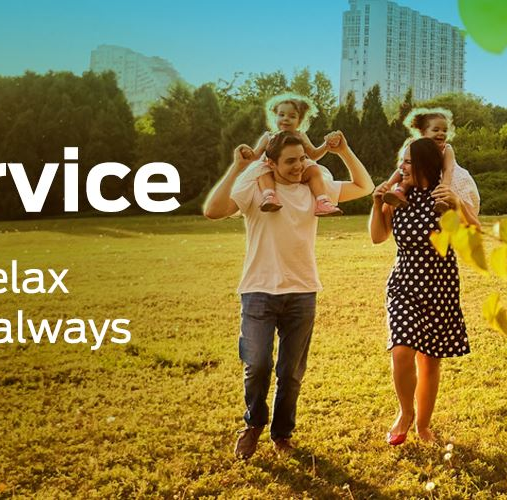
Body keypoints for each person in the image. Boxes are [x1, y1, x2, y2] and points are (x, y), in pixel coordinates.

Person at [201, 130, 374, 460]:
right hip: (258, 291)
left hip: (302, 292)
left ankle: (282, 435)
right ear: (271, 162)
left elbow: (363, 186)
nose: (298, 166)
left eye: (302, 159)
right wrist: (237, 168)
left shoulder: (314, 189)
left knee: (291, 373)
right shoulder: (256, 190)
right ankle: (253, 425)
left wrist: (345, 151)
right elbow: (213, 210)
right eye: (290, 161)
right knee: (257, 364)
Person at [369, 138, 481, 446]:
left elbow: (475, 232)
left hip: (440, 285)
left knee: (430, 360)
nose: (401, 167)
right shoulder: (398, 197)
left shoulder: (444, 197)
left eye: (406, 162)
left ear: (423, 165)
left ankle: (423, 425)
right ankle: (405, 413)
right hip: (404, 282)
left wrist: (459, 206)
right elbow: (378, 237)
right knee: (402, 350)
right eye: (401, 161)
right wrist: (377, 204)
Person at [249, 94, 343, 216]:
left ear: (299, 121)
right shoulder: (269, 137)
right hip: (272, 171)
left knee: (314, 169)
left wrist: (326, 145)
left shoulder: (300, 136)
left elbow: (313, 155)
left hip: (295, 172)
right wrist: (247, 153)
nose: (286, 119)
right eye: (281, 115)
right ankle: (269, 197)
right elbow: (255, 155)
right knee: (262, 170)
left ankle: (322, 201)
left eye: (292, 116)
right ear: (275, 117)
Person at [381, 108, 477, 213]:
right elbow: (402, 167)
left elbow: (447, 169)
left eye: (444, 130)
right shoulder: (414, 146)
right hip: (416, 177)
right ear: (423, 132)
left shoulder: (446, 148)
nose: (441, 133)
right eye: (436, 130)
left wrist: (444, 186)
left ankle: (442, 201)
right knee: (407, 170)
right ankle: (399, 192)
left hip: (441, 178)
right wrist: (388, 185)